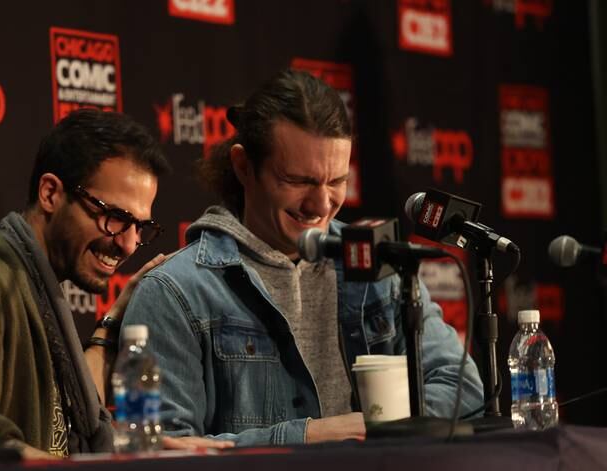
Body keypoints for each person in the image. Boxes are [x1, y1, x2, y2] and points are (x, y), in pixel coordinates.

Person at [121, 69, 484, 446]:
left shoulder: (378, 263)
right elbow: (159, 450)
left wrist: (373, 426)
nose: (321, 204)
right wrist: (307, 436)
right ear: (244, 167)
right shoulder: (176, 292)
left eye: (336, 181)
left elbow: (461, 388)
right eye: (299, 181)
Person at [0, 109, 172, 461]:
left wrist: (111, 325)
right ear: (51, 193)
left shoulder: (35, 284)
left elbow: (63, 416)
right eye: (115, 218)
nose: (129, 244)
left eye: (140, 228)